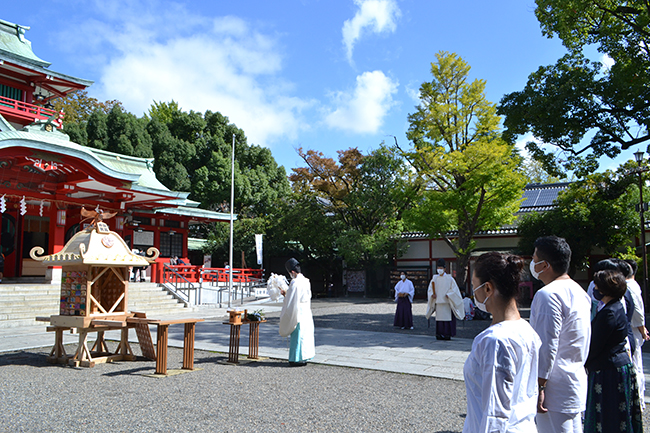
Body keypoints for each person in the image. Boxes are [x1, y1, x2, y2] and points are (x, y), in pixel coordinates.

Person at [463, 252, 541, 432]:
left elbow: (495, 413)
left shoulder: (495, 340)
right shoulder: (526, 329)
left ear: (488, 288)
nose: (474, 293)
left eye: (475, 287)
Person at [528, 236, 591, 433]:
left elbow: (546, 344)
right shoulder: (580, 292)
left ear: (544, 264)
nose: (532, 263)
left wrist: (539, 385)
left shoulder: (548, 294)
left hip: (553, 386)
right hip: (575, 377)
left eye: (534, 259)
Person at [584, 270, 643, 432]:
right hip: (616, 365)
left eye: (596, 285)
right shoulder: (616, 307)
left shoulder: (609, 313)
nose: (594, 288)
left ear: (604, 289)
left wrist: (583, 361)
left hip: (608, 370)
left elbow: (596, 345)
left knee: (609, 415)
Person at [279, 258, 315, 366]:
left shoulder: (295, 282)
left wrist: (285, 295)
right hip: (306, 310)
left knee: (297, 334)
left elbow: (292, 298)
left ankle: (295, 358)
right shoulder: (306, 280)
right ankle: (304, 357)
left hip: (298, 309)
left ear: (292, 272)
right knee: (305, 334)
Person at [624, 258, 649, 411]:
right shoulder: (632, 285)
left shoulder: (629, 286)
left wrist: (642, 328)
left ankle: (638, 398)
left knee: (635, 364)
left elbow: (638, 310)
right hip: (633, 328)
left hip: (633, 329)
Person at [425, 258, 463, 340]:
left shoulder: (450, 279)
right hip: (438, 302)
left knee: (447, 319)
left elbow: (454, 290)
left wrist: (449, 294)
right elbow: (430, 289)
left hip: (447, 303)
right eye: (438, 268)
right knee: (439, 319)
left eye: (441, 268)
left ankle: (447, 334)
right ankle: (439, 334)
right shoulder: (434, 278)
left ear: (445, 269)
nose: (439, 270)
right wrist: (432, 295)